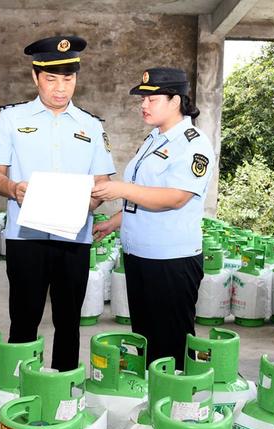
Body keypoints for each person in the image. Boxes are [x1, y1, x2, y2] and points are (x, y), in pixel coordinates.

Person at [0, 35, 115, 372]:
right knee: (24, 320)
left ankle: (63, 392)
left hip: (74, 238)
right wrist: (13, 188)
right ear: (35, 77)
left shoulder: (90, 125)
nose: (60, 88)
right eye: (51, 79)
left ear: (76, 78)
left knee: (69, 323)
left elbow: (103, 182)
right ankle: (20, 390)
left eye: (68, 79)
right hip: (25, 238)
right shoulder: (11, 119)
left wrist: (89, 202)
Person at [92, 67, 215, 368]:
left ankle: (176, 407)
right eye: (142, 100)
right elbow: (144, 195)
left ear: (176, 101)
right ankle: (153, 401)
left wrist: (120, 188)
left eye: (152, 99)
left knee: (171, 342)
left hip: (171, 261)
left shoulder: (192, 144)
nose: (143, 106)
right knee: (146, 339)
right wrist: (114, 222)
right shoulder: (153, 139)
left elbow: (175, 197)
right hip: (139, 256)